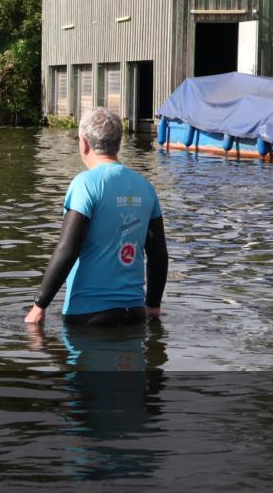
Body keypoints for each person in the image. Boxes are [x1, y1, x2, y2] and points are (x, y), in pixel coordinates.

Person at [25, 108, 168, 328]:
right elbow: (158, 254)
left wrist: (39, 306)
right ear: (119, 144)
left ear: (83, 143)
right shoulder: (146, 188)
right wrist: (153, 306)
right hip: (134, 315)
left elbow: (67, 249)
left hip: (88, 316)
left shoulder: (85, 184)